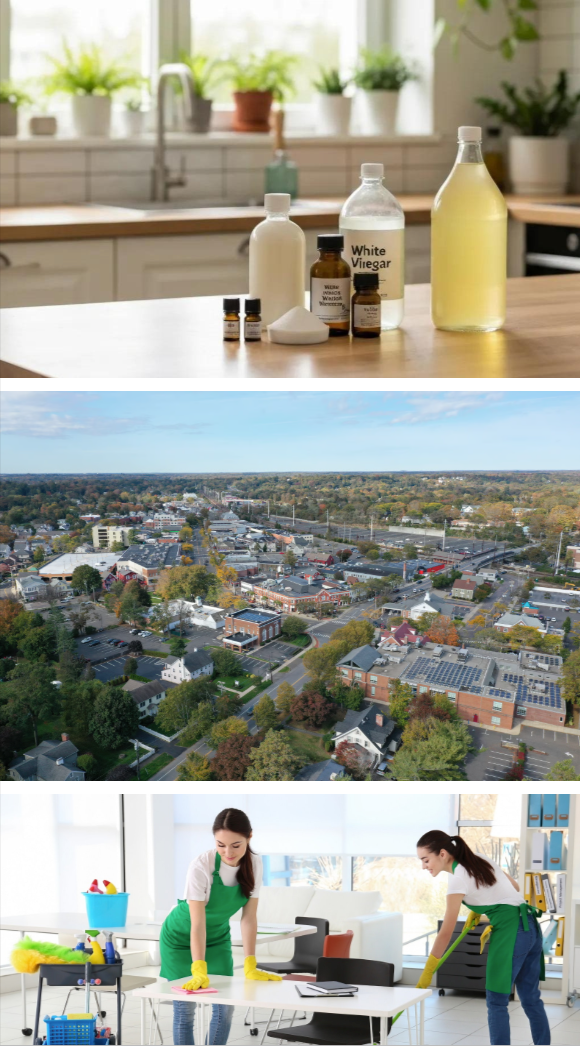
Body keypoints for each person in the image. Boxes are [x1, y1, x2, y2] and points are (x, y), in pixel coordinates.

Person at [415, 830, 550, 1046]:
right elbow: (513, 889)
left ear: (442, 854)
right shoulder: (479, 859)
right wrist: (481, 908)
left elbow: (446, 931)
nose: (423, 866)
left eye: (425, 859)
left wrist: (429, 969)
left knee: (496, 1001)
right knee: (531, 999)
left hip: (511, 932)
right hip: (530, 927)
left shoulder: (457, 879)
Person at [160, 807, 281, 1045]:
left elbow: (248, 918)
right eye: (220, 845)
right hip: (180, 937)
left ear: (249, 837)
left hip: (217, 936)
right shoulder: (201, 865)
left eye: (236, 845)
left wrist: (250, 962)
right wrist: (198, 966)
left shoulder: (255, 864)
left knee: (224, 1008)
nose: (228, 852)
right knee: (185, 1010)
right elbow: (197, 923)